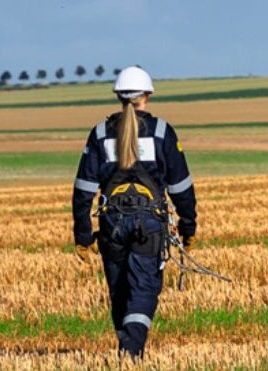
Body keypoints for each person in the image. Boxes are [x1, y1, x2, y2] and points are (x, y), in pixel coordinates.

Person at [71, 66, 197, 357]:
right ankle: (130, 353)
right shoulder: (162, 132)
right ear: (148, 95)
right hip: (148, 225)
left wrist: (82, 235)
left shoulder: (100, 134)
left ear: (118, 96)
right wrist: (188, 228)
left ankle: (126, 349)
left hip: (111, 224)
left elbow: (83, 191)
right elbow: (181, 188)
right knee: (143, 289)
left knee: (119, 291)